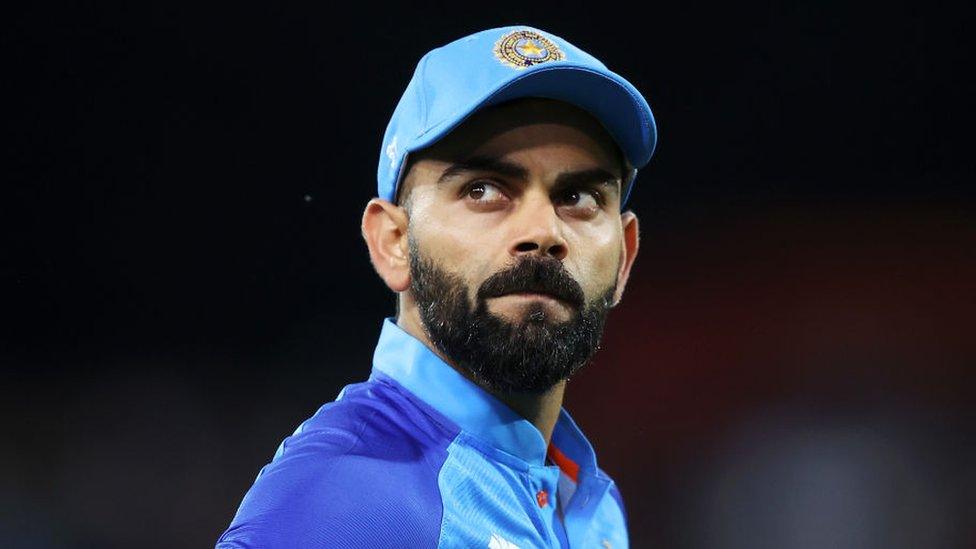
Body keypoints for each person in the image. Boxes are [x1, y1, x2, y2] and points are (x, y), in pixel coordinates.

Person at [217, 25, 657, 548]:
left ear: (625, 256)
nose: (543, 231)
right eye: (484, 189)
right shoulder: (345, 507)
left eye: (580, 197)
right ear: (394, 242)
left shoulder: (589, 504)